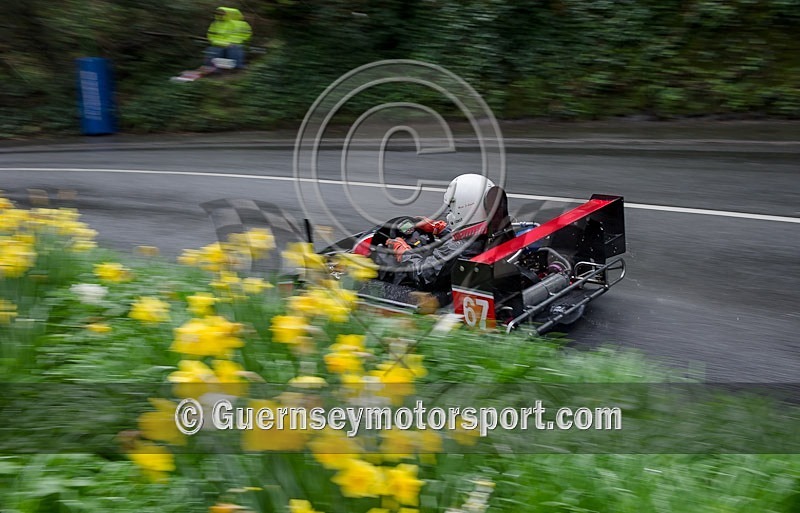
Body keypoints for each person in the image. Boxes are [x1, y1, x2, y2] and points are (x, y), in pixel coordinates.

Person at [374, 174, 513, 305]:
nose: (449, 212)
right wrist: (439, 229)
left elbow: (421, 274)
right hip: (469, 279)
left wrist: (404, 253)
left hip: (441, 295)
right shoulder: (494, 232)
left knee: (384, 278)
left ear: (464, 207)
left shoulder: (457, 248)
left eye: (452, 207)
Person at [205, 7, 252, 71]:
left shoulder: (242, 24)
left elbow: (246, 34)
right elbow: (211, 35)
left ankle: (236, 69)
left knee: (234, 50)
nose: (220, 15)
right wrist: (218, 42)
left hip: (234, 44)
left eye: (222, 14)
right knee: (214, 51)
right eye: (218, 13)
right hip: (218, 43)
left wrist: (234, 42)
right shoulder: (215, 23)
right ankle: (213, 70)